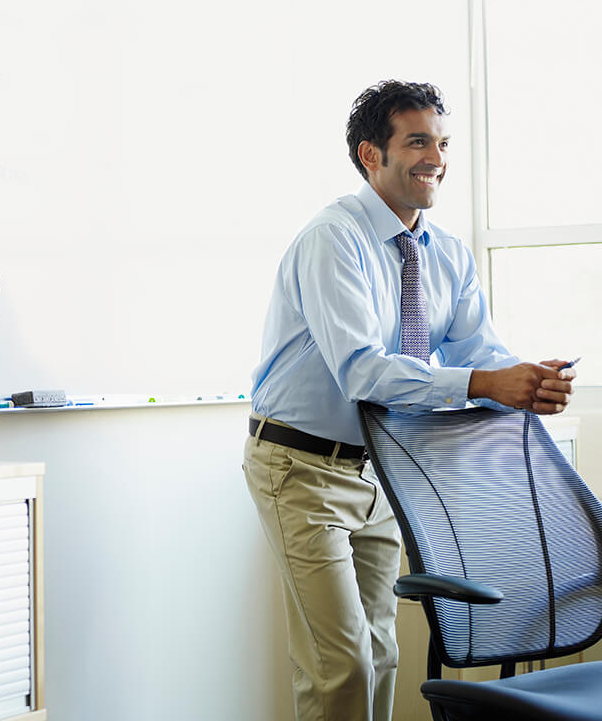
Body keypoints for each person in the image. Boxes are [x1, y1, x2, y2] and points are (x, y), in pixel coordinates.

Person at [242, 80, 576, 721]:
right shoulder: (333, 240)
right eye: (417, 140)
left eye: (443, 142)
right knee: (340, 664)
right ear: (372, 154)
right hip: (301, 470)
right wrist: (484, 384)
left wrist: (525, 380)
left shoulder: (446, 253)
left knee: (381, 654)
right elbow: (363, 373)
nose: (437, 158)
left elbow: (478, 350)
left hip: (382, 469)